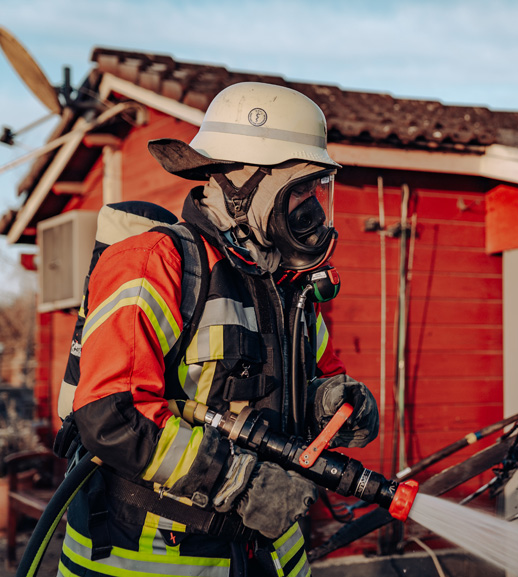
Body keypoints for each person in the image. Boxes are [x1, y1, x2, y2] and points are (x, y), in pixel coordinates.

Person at [57, 82, 379, 577]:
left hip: (266, 557)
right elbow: (112, 414)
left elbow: (295, 391)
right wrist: (238, 481)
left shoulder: (287, 286)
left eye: (319, 190)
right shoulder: (153, 264)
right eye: (299, 190)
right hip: (150, 557)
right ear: (242, 182)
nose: (312, 209)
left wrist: (330, 406)